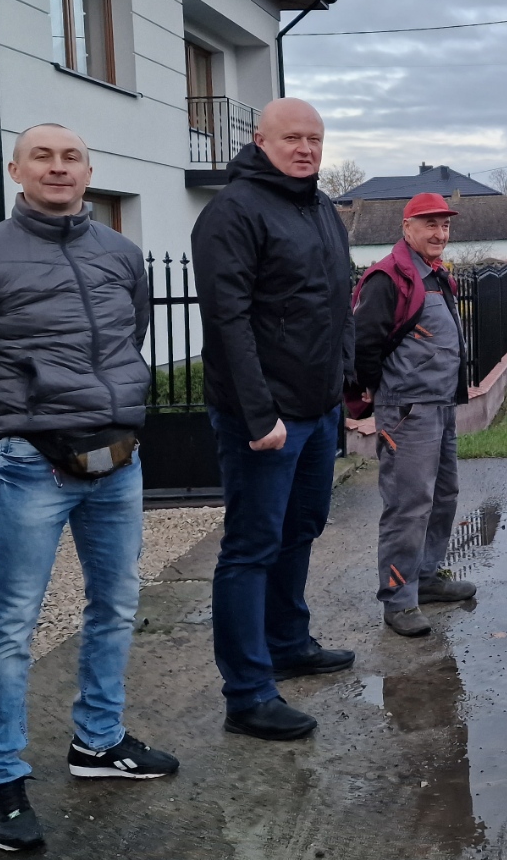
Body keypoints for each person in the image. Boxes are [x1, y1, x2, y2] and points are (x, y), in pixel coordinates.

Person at [0, 123, 177, 855]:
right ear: (16, 170)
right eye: (43, 157)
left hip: (119, 462)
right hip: (30, 468)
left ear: (89, 171)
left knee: (116, 606)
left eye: (72, 157)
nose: (59, 167)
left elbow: (128, 341)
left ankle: (98, 741)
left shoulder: (120, 254)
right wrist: (8, 423)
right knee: (11, 626)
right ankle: (1, 779)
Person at [191, 98, 355, 743]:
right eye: (292, 138)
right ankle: (248, 693)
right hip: (265, 418)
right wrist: (260, 416)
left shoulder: (321, 208)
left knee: (301, 528)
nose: (305, 149)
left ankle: (288, 643)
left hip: (318, 409)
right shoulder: (232, 212)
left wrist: (343, 382)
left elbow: (337, 299)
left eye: (314, 139)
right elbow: (227, 321)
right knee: (251, 547)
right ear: (260, 140)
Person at [350, 193, 475, 637]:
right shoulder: (388, 277)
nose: (440, 233)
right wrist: (377, 394)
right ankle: (399, 600)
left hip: (440, 406)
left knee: (443, 495)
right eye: (430, 224)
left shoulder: (436, 275)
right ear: (407, 228)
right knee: (408, 505)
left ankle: (426, 576)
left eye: (445, 225)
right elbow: (364, 342)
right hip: (406, 411)